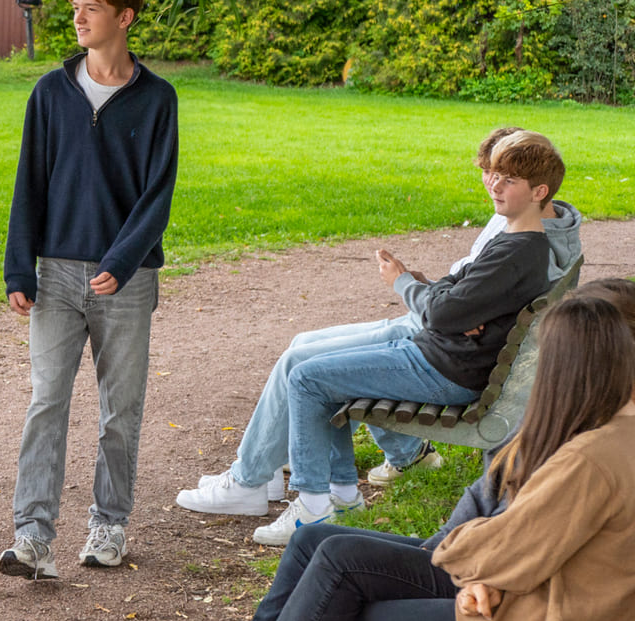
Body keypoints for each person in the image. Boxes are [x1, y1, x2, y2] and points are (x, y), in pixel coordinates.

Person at [140, 293, 635, 621]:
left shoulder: (594, 455)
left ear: (574, 368)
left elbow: (510, 545)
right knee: (323, 556)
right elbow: (511, 529)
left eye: (543, 360)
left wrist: (480, 559)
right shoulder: (599, 438)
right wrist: (487, 560)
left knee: (327, 619)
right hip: (521, 612)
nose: (535, 375)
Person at [178, 127, 584, 521]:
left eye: (508, 180)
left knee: (306, 378)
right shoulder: (515, 238)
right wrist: (452, 306)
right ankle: (341, 495)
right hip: (440, 352)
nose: (494, 185)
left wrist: (432, 298)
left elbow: (444, 312)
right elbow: (452, 292)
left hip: (444, 368)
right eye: (493, 175)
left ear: (539, 192)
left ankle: (313, 507)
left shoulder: (518, 251)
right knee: (313, 368)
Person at [0, 0, 179, 578]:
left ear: (123, 18)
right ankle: (32, 537)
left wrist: (122, 261)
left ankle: (109, 525)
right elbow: (29, 184)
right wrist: (18, 268)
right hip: (54, 273)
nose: (77, 17)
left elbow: (158, 195)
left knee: (119, 408)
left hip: (125, 280)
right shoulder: (50, 93)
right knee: (46, 400)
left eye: (91, 7)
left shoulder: (157, 98)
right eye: (75, 5)